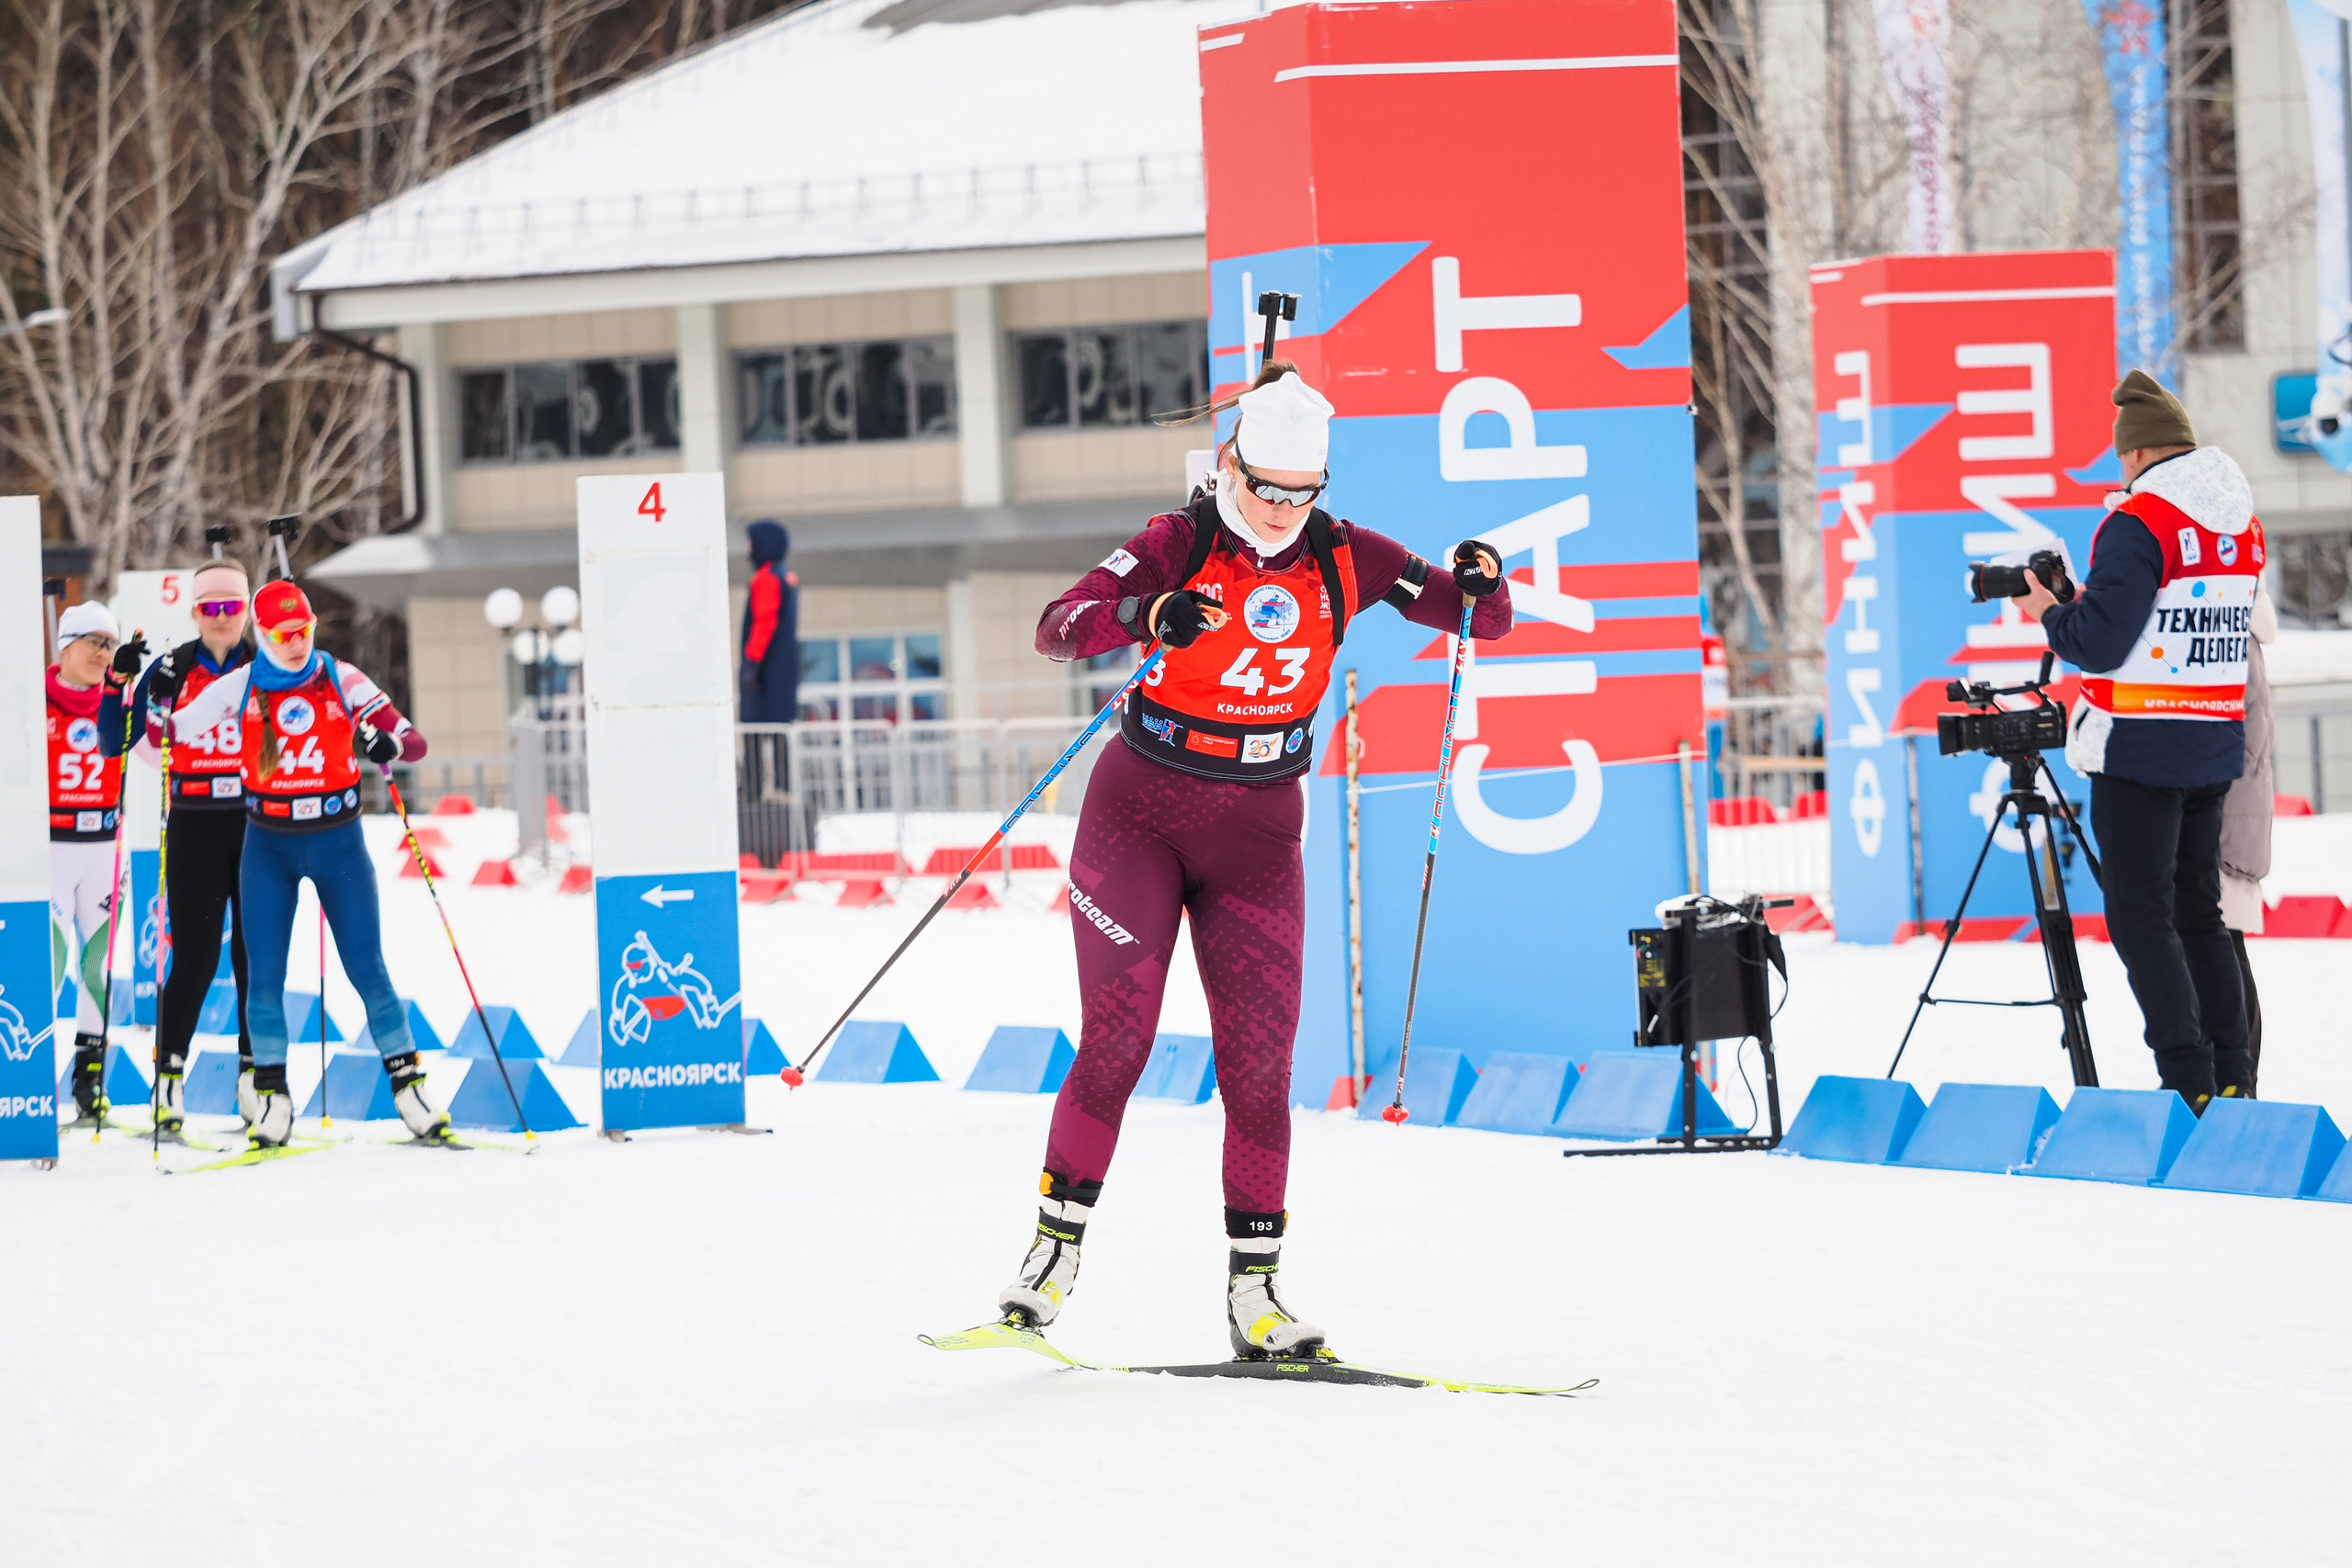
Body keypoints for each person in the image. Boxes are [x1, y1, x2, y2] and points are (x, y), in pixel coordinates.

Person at [997, 365, 1512, 1358]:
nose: (1279, 512)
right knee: (1117, 1040)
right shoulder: (1176, 541)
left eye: (1299, 494)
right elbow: (1057, 627)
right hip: (1139, 813)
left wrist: (1485, 577)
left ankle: (1257, 1295)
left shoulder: (1347, 554)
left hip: (1261, 829)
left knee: (1259, 1068)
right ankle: (1051, 1257)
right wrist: (1144, 617)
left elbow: (1475, 619)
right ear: (1229, 465)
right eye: (1263, 488)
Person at [2015, 370, 2256, 1110]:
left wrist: (2051, 612)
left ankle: (2186, 1083)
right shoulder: (2238, 522)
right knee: (2198, 914)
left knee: (2142, 919)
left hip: (2140, 750)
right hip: (2213, 743)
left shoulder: (2138, 520)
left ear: (2139, 453)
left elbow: (2100, 643)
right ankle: (2231, 1077)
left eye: (2123, 459)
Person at [168, 581, 442, 1147]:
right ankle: (273, 1098)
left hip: (338, 842)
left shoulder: (339, 676)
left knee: (367, 968)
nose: (296, 643)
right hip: (268, 847)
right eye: (283, 634)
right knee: (264, 978)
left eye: (304, 631)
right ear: (261, 635)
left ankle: (409, 1088)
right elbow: (168, 734)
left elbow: (411, 743)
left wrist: (388, 740)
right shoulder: (240, 684)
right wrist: (145, 690)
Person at [130, 558, 260, 1135]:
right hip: (195, 819)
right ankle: (169, 1075)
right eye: (211, 607)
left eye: (232, 607)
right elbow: (143, 746)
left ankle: (257, 1077)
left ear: (246, 612)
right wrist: (150, 700)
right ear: (195, 613)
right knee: (197, 958)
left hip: (259, 823)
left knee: (256, 957)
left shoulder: (268, 663)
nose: (222, 618)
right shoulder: (173, 666)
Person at [47, 602, 132, 1124]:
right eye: (94, 642)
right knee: (48, 968)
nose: (104, 653)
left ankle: (89, 1081)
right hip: (50, 850)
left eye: (110, 643)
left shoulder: (117, 699)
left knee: (96, 966)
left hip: (104, 848)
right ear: (66, 646)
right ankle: (26, 1074)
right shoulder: (31, 697)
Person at [2218, 576, 2278, 1096]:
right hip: (2232, 821)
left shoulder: (2231, 641)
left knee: (2221, 949)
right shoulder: (2244, 634)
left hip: (2221, 825)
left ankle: (2237, 1085)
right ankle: (2238, 1084)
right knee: (2225, 947)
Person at [740, 520, 799, 724]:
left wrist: (751, 667)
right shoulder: (785, 576)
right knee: (781, 735)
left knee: (755, 739)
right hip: (782, 676)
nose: (747, 548)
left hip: (764, 681)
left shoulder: (766, 579)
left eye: (750, 542)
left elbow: (764, 624)